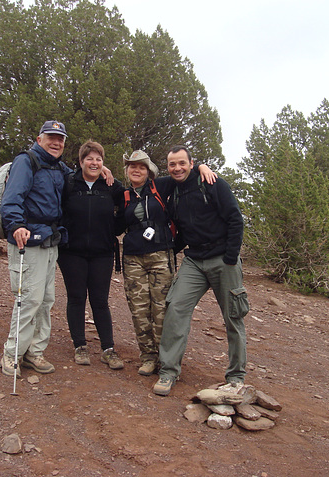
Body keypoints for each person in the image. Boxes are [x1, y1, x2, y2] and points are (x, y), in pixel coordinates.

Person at [152, 145, 250, 396]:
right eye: (172, 164)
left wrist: (230, 257)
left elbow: (235, 219)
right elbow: (140, 177)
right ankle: (168, 371)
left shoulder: (212, 183)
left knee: (233, 317)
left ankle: (236, 377)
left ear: (191, 163)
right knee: (175, 308)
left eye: (182, 163)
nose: (177, 168)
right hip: (194, 259)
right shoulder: (171, 188)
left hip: (222, 260)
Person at [121, 150, 218, 376]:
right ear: (127, 170)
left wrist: (200, 167)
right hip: (133, 257)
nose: (136, 170)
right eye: (132, 166)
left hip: (161, 256)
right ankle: (147, 357)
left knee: (162, 309)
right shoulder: (122, 194)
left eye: (141, 167)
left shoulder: (160, 186)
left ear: (149, 171)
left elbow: (181, 172)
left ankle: (166, 359)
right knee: (139, 310)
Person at [0, 120, 73, 378]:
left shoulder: (59, 168)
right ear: (39, 138)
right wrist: (16, 225)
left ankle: (34, 352)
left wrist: (103, 169)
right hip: (27, 241)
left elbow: (80, 179)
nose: (56, 142)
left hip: (50, 241)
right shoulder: (26, 161)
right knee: (28, 299)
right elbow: (12, 199)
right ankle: (12, 354)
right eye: (51, 137)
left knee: (45, 301)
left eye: (60, 139)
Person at [57, 140, 126, 369]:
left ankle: (108, 349)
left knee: (100, 301)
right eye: (90, 159)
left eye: (99, 159)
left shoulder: (111, 186)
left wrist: (114, 229)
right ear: (81, 161)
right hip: (71, 253)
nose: (94, 163)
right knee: (76, 298)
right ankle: (80, 346)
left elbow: (128, 205)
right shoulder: (69, 183)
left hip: (102, 253)